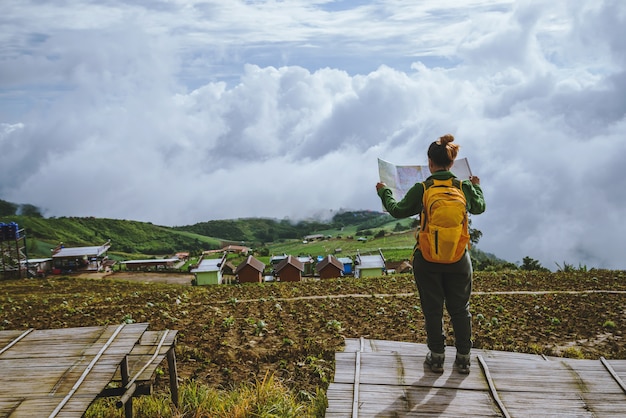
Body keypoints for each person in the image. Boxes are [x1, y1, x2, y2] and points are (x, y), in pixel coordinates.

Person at [375, 134, 485, 374]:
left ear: (430, 163)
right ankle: (464, 358)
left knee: (433, 309)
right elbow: (480, 207)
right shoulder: (463, 187)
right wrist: (476, 186)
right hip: (459, 257)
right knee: (460, 309)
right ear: (452, 163)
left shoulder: (422, 188)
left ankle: (436, 357)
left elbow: (396, 210)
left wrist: (384, 192)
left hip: (427, 258)